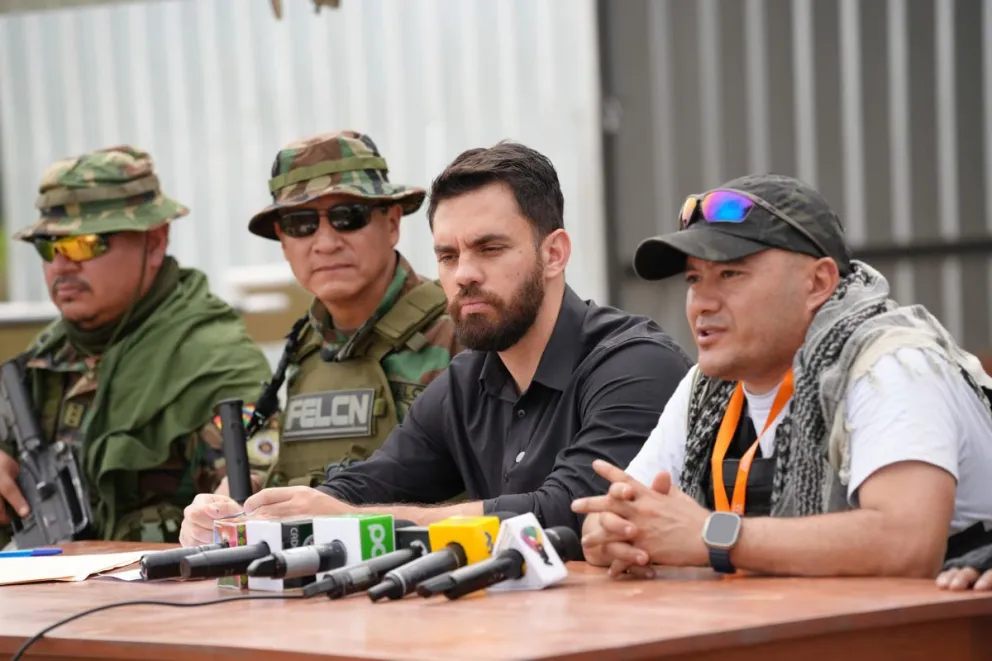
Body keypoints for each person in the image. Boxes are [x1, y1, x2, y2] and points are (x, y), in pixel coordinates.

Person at [179, 141, 692, 547]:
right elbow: (369, 484)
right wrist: (250, 517)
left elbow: (568, 515)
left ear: (554, 254)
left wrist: (354, 520)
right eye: (448, 256)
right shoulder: (467, 381)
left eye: (490, 248)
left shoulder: (635, 365)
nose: (464, 274)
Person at [573, 174, 992, 580]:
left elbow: (907, 543)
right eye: (694, 279)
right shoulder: (706, 388)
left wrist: (713, 536)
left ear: (818, 283)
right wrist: (614, 536)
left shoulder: (891, 363)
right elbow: (607, 519)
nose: (702, 303)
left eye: (730, 274)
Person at [0, 146, 273, 546]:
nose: (61, 264)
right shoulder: (43, 361)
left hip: (169, 581)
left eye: (84, 243)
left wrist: (227, 506)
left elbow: (252, 495)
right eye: (47, 246)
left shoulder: (215, 360)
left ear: (155, 242)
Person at [231, 130, 462, 491]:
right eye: (301, 224)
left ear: (392, 223)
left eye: (349, 216)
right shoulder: (306, 349)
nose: (325, 243)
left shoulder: (461, 330)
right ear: (283, 241)